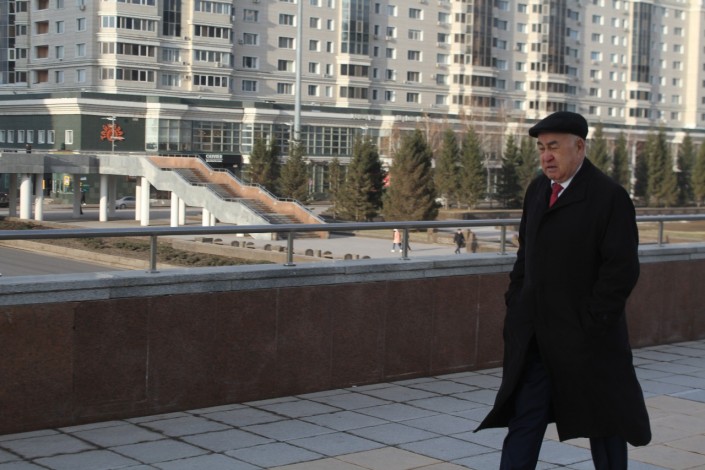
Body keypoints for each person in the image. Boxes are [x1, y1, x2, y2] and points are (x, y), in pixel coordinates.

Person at [475, 111, 651, 469]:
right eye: (542, 148)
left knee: (605, 424)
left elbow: (620, 271)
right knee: (525, 418)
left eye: (554, 147)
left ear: (579, 147)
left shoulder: (608, 196)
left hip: (587, 339)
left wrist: (592, 323)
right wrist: (516, 302)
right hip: (537, 336)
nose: (546, 157)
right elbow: (525, 256)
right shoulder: (538, 190)